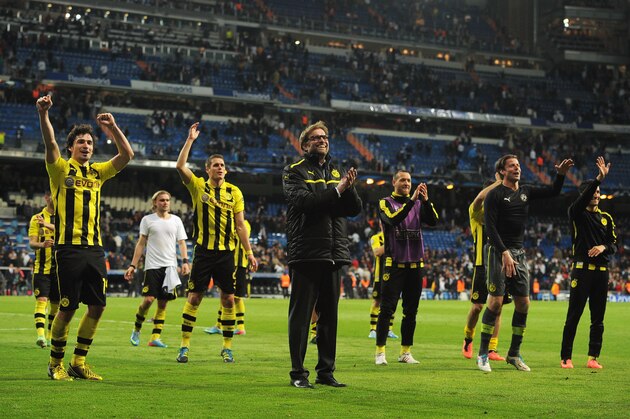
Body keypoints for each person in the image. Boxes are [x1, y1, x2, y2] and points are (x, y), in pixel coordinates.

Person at [37, 94, 134, 381]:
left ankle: (78, 362)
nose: (87, 146)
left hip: (94, 249)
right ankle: (55, 363)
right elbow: (50, 144)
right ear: (71, 147)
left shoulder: (98, 172)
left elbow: (127, 156)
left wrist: (113, 128)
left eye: (90, 142)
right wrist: (44, 115)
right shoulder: (60, 168)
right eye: (81, 142)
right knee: (67, 308)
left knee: (98, 306)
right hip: (68, 249)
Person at [476, 154, 573, 373]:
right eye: (512, 166)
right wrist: (504, 253)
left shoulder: (525, 192)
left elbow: (554, 192)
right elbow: (489, 228)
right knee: (495, 304)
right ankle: (483, 354)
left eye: (518, 165)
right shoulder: (494, 195)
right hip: (497, 252)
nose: (517, 168)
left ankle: (514, 353)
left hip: (518, 253)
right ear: (502, 171)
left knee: (524, 304)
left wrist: (560, 176)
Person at [283, 120, 362, 388]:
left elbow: (354, 209)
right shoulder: (294, 172)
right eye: (316, 138)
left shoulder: (336, 171)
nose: (322, 140)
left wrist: (349, 188)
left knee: (330, 317)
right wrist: (338, 189)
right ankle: (298, 373)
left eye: (325, 137)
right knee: (302, 316)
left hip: (334, 252)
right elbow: (306, 203)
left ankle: (326, 372)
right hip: (306, 252)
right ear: (304, 145)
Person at [175, 122, 257, 364]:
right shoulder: (198, 186)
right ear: (207, 169)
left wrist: (250, 252)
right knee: (194, 298)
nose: (220, 168)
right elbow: (180, 166)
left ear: (226, 170)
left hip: (225, 254)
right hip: (203, 252)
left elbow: (241, 225)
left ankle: (227, 347)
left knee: (229, 299)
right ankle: (184, 346)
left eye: (223, 165)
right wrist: (190, 140)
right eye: (216, 165)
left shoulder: (235, 192)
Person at [375, 170, 438, 366]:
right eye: (402, 179)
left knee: (411, 311)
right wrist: (412, 201)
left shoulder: (419, 203)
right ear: (394, 182)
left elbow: (434, 221)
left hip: (415, 265)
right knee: (387, 310)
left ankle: (405, 352)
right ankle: (380, 352)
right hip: (394, 264)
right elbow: (393, 219)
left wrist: (426, 201)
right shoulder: (385, 203)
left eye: (409, 180)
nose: (407, 183)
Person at [560, 157, 616, 369]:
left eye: (598, 193)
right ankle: (566, 357)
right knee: (574, 315)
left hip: (602, 273)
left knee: (598, 318)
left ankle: (593, 357)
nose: (596, 195)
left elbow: (613, 244)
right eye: (593, 193)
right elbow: (579, 204)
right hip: (581, 272)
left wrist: (603, 247)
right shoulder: (577, 214)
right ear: (584, 196)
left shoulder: (607, 218)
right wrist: (598, 179)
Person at [125, 190, 190, 348]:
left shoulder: (176, 220)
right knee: (148, 300)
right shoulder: (147, 220)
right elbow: (141, 243)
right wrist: (133, 265)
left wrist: (185, 261)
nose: (165, 202)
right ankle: (137, 329)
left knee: (163, 303)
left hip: (170, 267)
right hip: (152, 266)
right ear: (155, 203)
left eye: (167, 200)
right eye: (162, 200)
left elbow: (181, 243)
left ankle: (155, 337)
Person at [462, 174, 507, 361]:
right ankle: (467, 339)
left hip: (501, 264)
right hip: (482, 264)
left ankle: (492, 349)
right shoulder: (476, 211)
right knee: (477, 307)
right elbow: (479, 199)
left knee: (498, 307)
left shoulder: (502, 214)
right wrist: (499, 182)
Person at [204, 218, 251, 336]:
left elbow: (239, 235)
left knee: (236, 297)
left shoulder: (245, 224)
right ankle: (218, 325)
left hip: (238, 264)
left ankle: (241, 326)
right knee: (224, 294)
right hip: (228, 263)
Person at [29, 191, 59, 348]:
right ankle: (40, 336)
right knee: (42, 301)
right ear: (47, 198)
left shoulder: (63, 217)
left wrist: (47, 225)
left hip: (60, 270)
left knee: (55, 305)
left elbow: (67, 230)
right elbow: (32, 243)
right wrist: (42, 245)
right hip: (41, 268)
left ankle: (49, 336)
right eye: (53, 195)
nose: (55, 198)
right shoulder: (37, 218)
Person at [368, 229, 398, 340]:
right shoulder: (376, 238)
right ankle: (373, 329)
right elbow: (377, 252)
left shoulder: (396, 236)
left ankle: (389, 330)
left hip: (394, 274)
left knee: (392, 303)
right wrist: (393, 243)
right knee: (377, 301)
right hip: (380, 276)